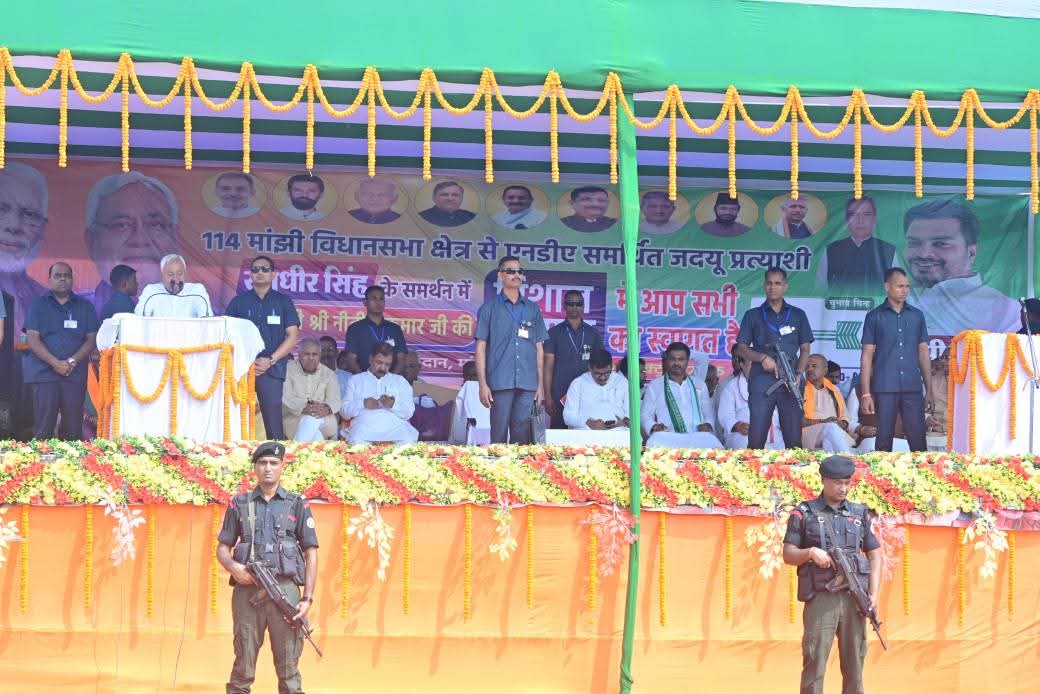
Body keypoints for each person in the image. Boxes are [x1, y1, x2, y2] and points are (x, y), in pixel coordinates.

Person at [217, 441, 318, 694]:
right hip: (248, 592)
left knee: (289, 668)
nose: (268, 468)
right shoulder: (239, 503)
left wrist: (307, 598)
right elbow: (222, 548)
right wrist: (233, 567)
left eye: (274, 463)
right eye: (262, 463)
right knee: (243, 663)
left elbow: (311, 552)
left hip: (285, 590)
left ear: (282, 467)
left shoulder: (296, 503)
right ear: (255, 468)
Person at [783, 455, 882, 694]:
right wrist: (810, 552)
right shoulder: (804, 513)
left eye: (848, 482)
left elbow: (875, 554)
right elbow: (788, 554)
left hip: (853, 599)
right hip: (821, 598)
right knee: (815, 661)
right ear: (824, 480)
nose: (843, 488)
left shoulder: (859, 514)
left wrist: (873, 593)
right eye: (838, 482)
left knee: (855, 664)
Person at [904, 198, 1019, 335]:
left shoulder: (1003, 309)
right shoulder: (898, 301)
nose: (923, 254)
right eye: (914, 243)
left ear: (971, 252)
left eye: (941, 244)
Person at [735, 267, 814, 448]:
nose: (773, 287)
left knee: (794, 439)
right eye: (769, 283)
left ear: (785, 286)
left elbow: (805, 349)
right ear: (764, 285)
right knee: (756, 438)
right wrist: (762, 358)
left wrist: (798, 374)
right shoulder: (752, 315)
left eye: (777, 283)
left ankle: (794, 474)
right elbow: (742, 348)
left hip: (791, 380)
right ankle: (752, 474)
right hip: (762, 381)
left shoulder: (797, 315)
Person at [84, 172, 181, 316]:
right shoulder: (78, 310)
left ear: (175, 237)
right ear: (92, 241)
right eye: (121, 225)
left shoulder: (200, 316)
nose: (140, 239)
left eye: (156, 225)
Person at [225, 256, 301, 440]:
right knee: (234, 415)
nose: (260, 273)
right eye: (255, 269)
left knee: (273, 421)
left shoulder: (283, 302)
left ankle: (276, 458)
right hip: (242, 369)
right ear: (250, 275)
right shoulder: (238, 303)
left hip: (271, 368)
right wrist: (246, 361)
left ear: (273, 274)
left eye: (265, 269)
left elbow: (293, 336)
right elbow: (226, 335)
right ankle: (234, 457)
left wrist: (271, 360)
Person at [475, 256, 548, 444]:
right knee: (498, 435)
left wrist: (540, 386)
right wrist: (482, 385)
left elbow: (539, 349)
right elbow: (480, 348)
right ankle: (497, 471)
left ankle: (519, 473)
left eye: (519, 271)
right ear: (500, 275)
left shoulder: (532, 309)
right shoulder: (489, 308)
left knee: (522, 438)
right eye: (510, 271)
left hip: (527, 383)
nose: (516, 275)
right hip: (500, 381)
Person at [23, 262, 99, 440]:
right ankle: (40, 467)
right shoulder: (38, 305)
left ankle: (70, 467)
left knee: (72, 430)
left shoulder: (85, 306)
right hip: (44, 374)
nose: (63, 278)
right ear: (49, 280)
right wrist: (55, 363)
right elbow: (32, 339)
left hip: (74, 375)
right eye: (58, 275)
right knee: (43, 430)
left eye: (67, 275)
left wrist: (71, 362)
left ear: (72, 279)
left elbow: (92, 338)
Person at [859, 267, 932, 452]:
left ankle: (923, 477)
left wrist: (929, 389)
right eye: (900, 286)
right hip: (885, 387)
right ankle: (882, 479)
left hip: (912, 387)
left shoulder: (917, 315)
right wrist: (866, 394)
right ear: (887, 287)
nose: (905, 290)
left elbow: (923, 352)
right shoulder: (874, 316)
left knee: (918, 439)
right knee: (883, 439)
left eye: (907, 286)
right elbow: (866, 356)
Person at [641, 342, 720, 448]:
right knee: (655, 440)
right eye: (672, 359)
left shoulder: (699, 384)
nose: (676, 363)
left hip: (696, 435)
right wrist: (653, 426)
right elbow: (645, 415)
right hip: (668, 436)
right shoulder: (654, 386)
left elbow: (709, 413)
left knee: (712, 441)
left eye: (681, 359)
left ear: (687, 361)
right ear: (667, 360)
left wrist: (708, 424)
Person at [0, 161, 49, 331]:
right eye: (1, 209)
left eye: (28, 214)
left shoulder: (45, 300)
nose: (13, 226)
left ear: (43, 228)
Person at [543, 290, 603, 429]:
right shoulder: (554, 333)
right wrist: (548, 396)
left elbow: (600, 365)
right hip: (560, 395)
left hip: (587, 394)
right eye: (570, 304)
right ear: (564, 306)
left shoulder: (593, 333)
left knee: (586, 434)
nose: (574, 307)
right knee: (559, 437)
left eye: (578, 304)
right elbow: (548, 367)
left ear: (583, 306)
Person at [817, 196, 897, 295]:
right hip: (838, 308)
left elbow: (896, 290)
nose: (860, 220)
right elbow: (820, 291)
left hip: (877, 308)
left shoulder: (889, 251)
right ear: (846, 220)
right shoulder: (831, 250)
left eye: (866, 214)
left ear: (874, 219)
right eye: (854, 214)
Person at [341, 342, 418, 444]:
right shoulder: (356, 380)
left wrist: (392, 405)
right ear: (370, 359)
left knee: (408, 441)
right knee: (356, 442)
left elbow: (409, 412)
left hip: (395, 428)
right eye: (379, 362)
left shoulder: (400, 381)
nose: (383, 368)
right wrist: (363, 403)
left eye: (387, 364)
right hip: (364, 426)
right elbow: (344, 412)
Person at [716, 354, 784, 449]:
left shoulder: (773, 383)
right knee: (755, 450)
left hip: (774, 433)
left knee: (786, 453)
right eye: (752, 365)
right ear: (742, 365)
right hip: (742, 434)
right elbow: (725, 415)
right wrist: (738, 425)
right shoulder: (731, 387)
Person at [282, 338, 340, 442]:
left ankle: (295, 453)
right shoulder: (288, 369)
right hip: (293, 420)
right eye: (307, 354)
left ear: (319, 356)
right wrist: (304, 407)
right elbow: (286, 397)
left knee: (311, 419)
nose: (311, 358)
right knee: (313, 429)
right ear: (299, 355)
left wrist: (327, 408)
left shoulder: (329, 374)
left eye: (315, 354)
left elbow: (335, 400)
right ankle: (310, 455)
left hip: (325, 421)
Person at [343, 285, 408, 373]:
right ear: (365, 302)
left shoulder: (395, 329)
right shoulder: (355, 329)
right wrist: (365, 380)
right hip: (364, 382)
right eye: (374, 298)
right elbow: (351, 360)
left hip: (390, 383)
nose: (378, 302)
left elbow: (402, 359)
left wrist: (390, 381)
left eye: (381, 299)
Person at [563, 348, 630, 430]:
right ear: (589, 368)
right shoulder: (578, 384)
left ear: (612, 367)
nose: (603, 378)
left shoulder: (621, 381)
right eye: (598, 374)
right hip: (586, 436)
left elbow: (631, 411)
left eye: (607, 373)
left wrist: (624, 421)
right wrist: (588, 423)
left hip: (618, 434)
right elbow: (568, 416)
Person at [801, 354, 855, 453]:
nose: (809, 369)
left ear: (825, 370)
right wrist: (824, 422)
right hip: (807, 434)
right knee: (830, 427)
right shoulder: (799, 389)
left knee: (830, 436)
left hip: (833, 431)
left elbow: (845, 417)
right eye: (807, 367)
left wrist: (841, 424)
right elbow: (796, 421)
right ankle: (850, 460)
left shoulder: (834, 391)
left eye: (814, 366)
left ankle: (836, 463)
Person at [135, 254, 213, 318]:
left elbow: (207, 319)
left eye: (179, 274)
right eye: (170, 274)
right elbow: (140, 317)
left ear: (185, 274)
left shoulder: (197, 291)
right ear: (162, 275)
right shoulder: (151, 291)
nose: (175, 279)